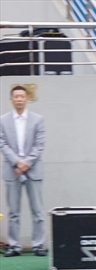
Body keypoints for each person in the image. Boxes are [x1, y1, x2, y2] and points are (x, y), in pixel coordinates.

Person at [0, 86, 47, 257]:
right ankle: (14, 246)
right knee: (13, 211)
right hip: (12, 170)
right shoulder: (3, 120)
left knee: (37, 210)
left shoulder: (37, 120)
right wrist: (17, 162)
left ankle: (38, 245)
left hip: (33, 170)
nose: (19, 99)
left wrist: (26, 163)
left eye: (22, 96)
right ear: (11, 99)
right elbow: (2, 143)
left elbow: (39, 144)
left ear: (27, 99)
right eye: (16, 96)